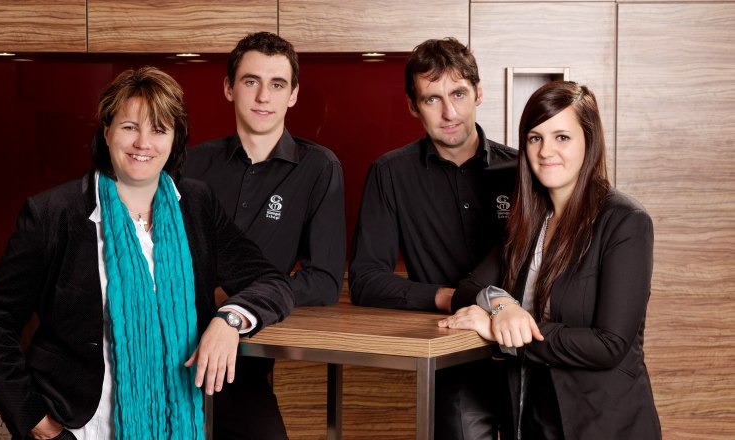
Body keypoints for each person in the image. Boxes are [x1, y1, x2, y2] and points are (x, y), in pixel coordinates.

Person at [0, 66, 294, 440]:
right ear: (107, 131)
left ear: (175, 139)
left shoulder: (196, 204)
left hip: (179, 421)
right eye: (129, 127)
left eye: (159, 130)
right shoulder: (52, 213)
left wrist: (229, 321)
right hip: (78, 427)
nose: (143, 143)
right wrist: (34, 418)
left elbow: (270, 281)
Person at [439, 81, 661, 439]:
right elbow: (469, 288)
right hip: (531, 421)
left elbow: (609, 344)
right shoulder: (529, 221)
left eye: (562, 137)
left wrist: (503, 332)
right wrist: (501, 306)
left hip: (603, 426)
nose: (546, 151)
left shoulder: (625, 222)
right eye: (535, 138)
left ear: (589, 141)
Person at [348, 37, 516, 440]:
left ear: (478, 93)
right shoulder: (391, 174)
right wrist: (449, 298)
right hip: (453, 359)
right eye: (431, 99)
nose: (449, 112)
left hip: (528, 350)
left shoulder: (523, 169)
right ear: (413, 106)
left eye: (458, 94)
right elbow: (366, 279)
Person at [182, 32, 346, 439]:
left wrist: (239, 304)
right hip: (167, 344)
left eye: (277, 84)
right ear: (228, 87)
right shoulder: (189, 164)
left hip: (242, 360)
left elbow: (324, 281)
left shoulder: (319, 168)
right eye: (251, 81)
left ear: (293, 95)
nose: (263, 97)